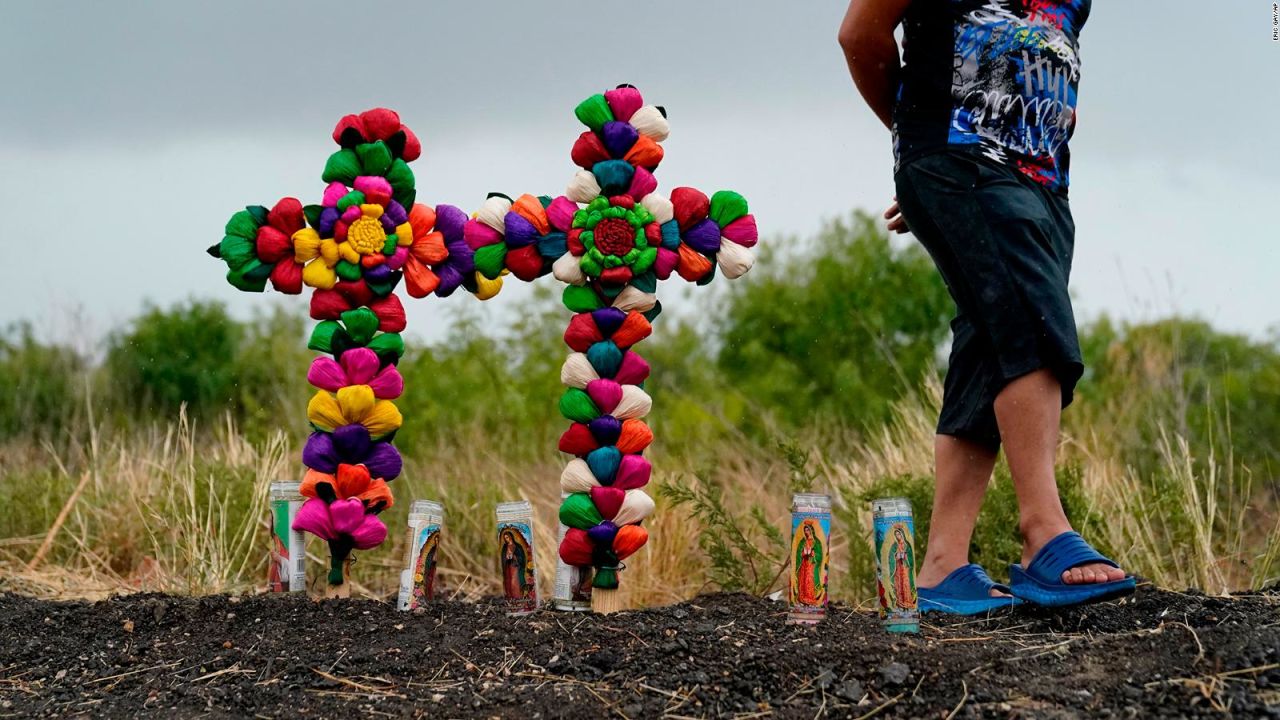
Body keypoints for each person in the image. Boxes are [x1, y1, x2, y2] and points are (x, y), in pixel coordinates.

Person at [838, 0, 1135, 612]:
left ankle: (943, 564)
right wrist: (922, 143)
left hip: (1045, 183)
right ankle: (1044, 533)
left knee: (992, 339)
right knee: (1031, 321)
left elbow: (1042, 55)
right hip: (960, 162)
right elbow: (858, 34)